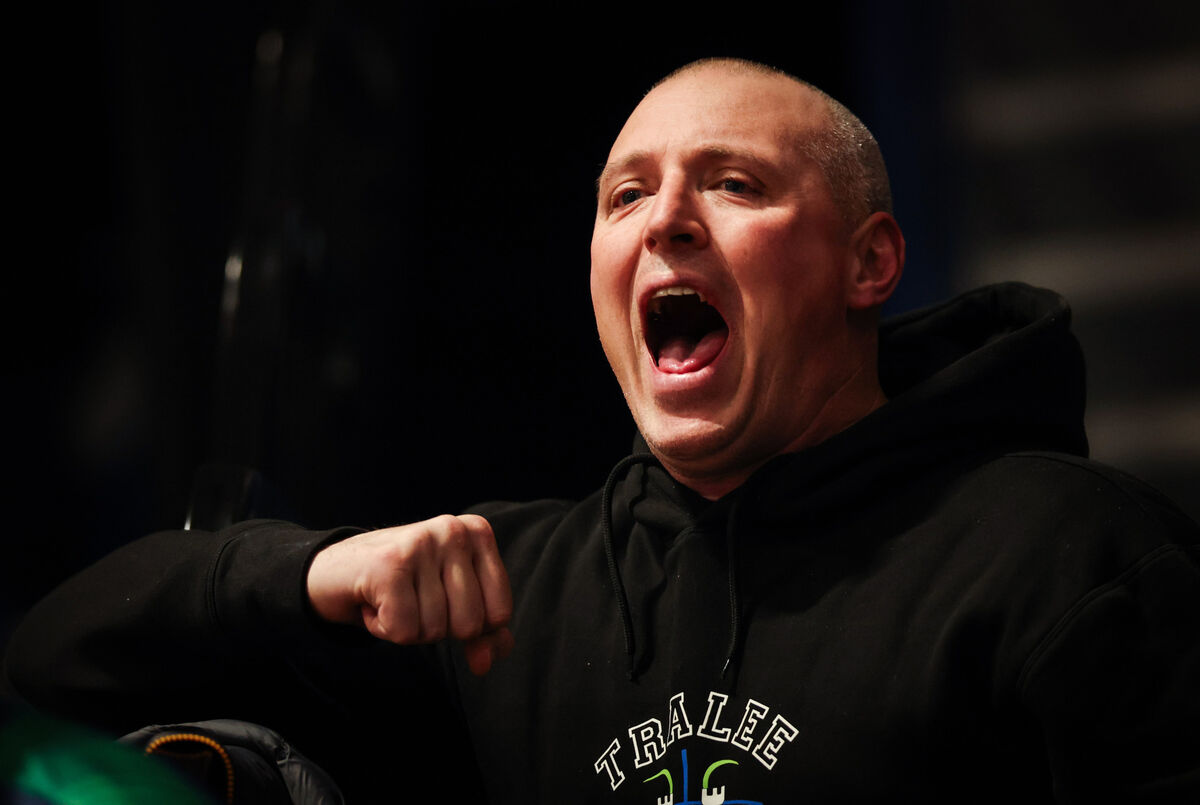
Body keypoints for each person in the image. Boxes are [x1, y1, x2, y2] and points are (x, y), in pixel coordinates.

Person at [5, 58, 1199, 803]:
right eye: (626, 195)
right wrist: (309, 567)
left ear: (869, 261)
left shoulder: (1067, 557)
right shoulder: (509, 598)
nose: (665, 216)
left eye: (732, 183)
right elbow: (45, 680)